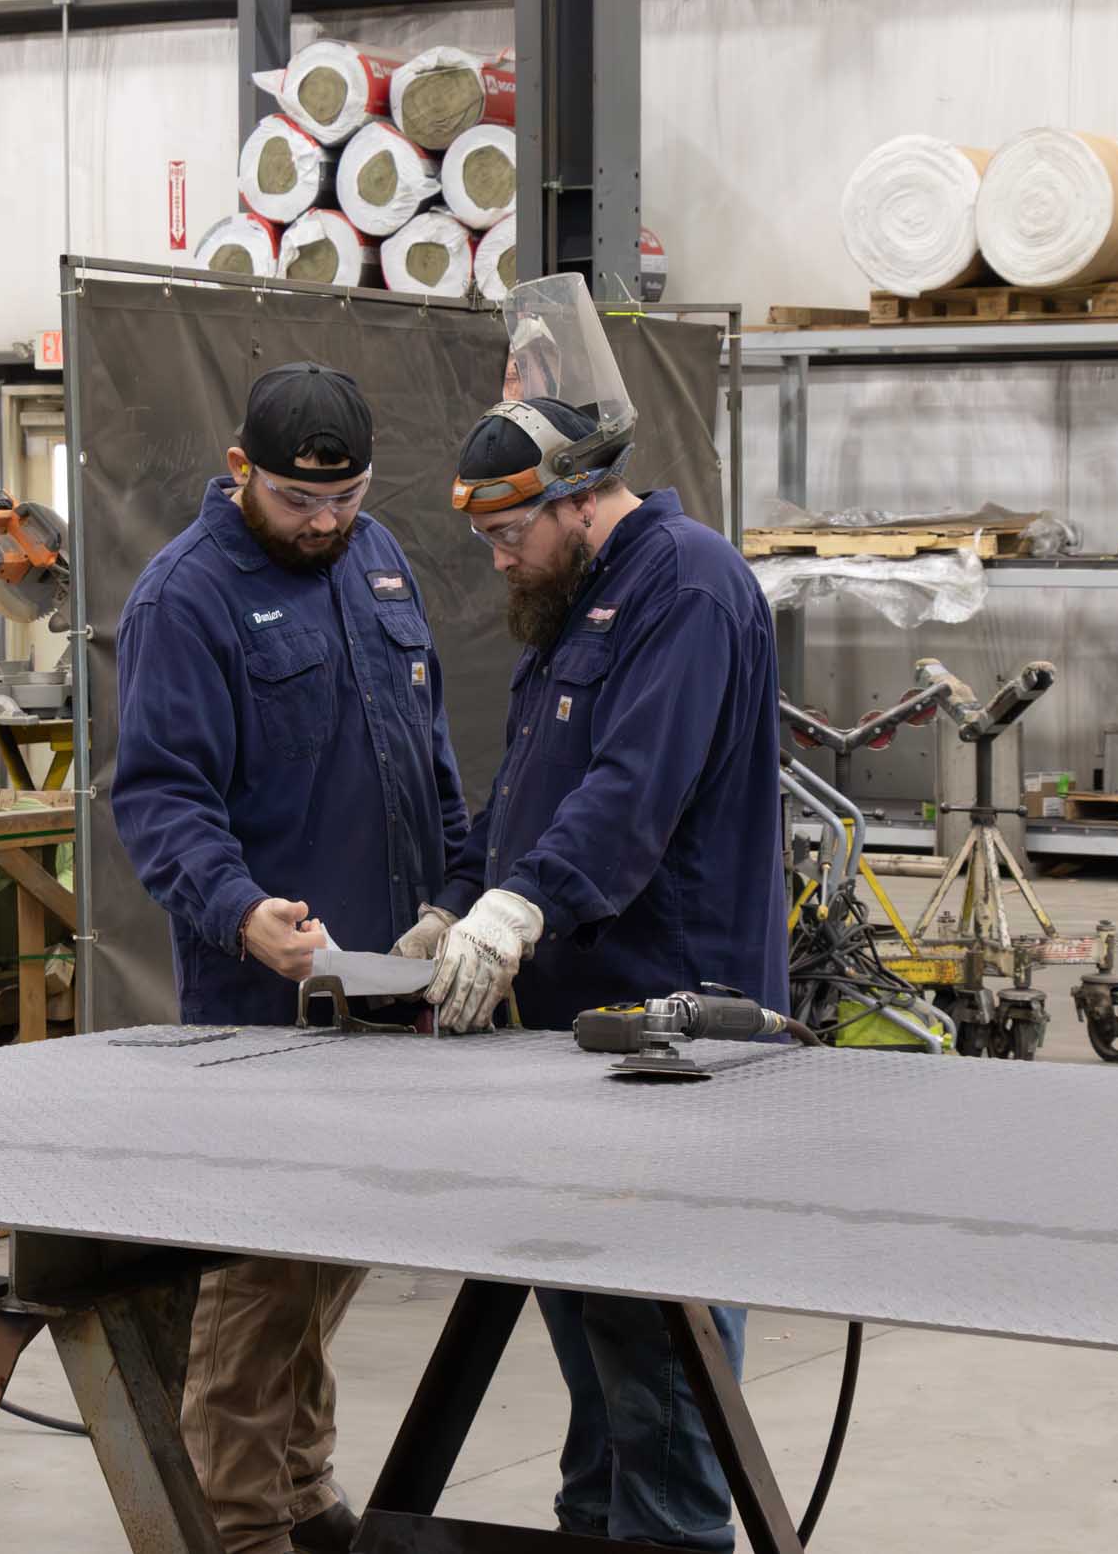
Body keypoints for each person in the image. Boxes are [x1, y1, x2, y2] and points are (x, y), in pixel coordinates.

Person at [113, 360, 476, 1554]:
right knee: (261, 1273)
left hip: (385, 987)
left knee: (333, 1252)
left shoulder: (376, 559)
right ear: (238, 472)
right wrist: (238, 908)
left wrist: (460, 889)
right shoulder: (189, 598)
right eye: (295, 501)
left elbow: (424, 752)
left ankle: (296, 1480)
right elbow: (160, 796)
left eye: (345, 496)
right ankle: (231, 1519)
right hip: (263, 1006)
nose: (322, 522)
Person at [427, 393, 786, 1552]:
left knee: (659, 1352)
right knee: (592, 1340)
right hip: (577, 1033)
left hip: (669, 1036)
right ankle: (595, 1524)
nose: (497, 556)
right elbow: (541, 781)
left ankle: (670, 1536)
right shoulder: (579, 594)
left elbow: (629, 793)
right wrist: (464, 899)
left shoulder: (683, 586)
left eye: (509, 530)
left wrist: (523, 901)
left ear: (580, 496)